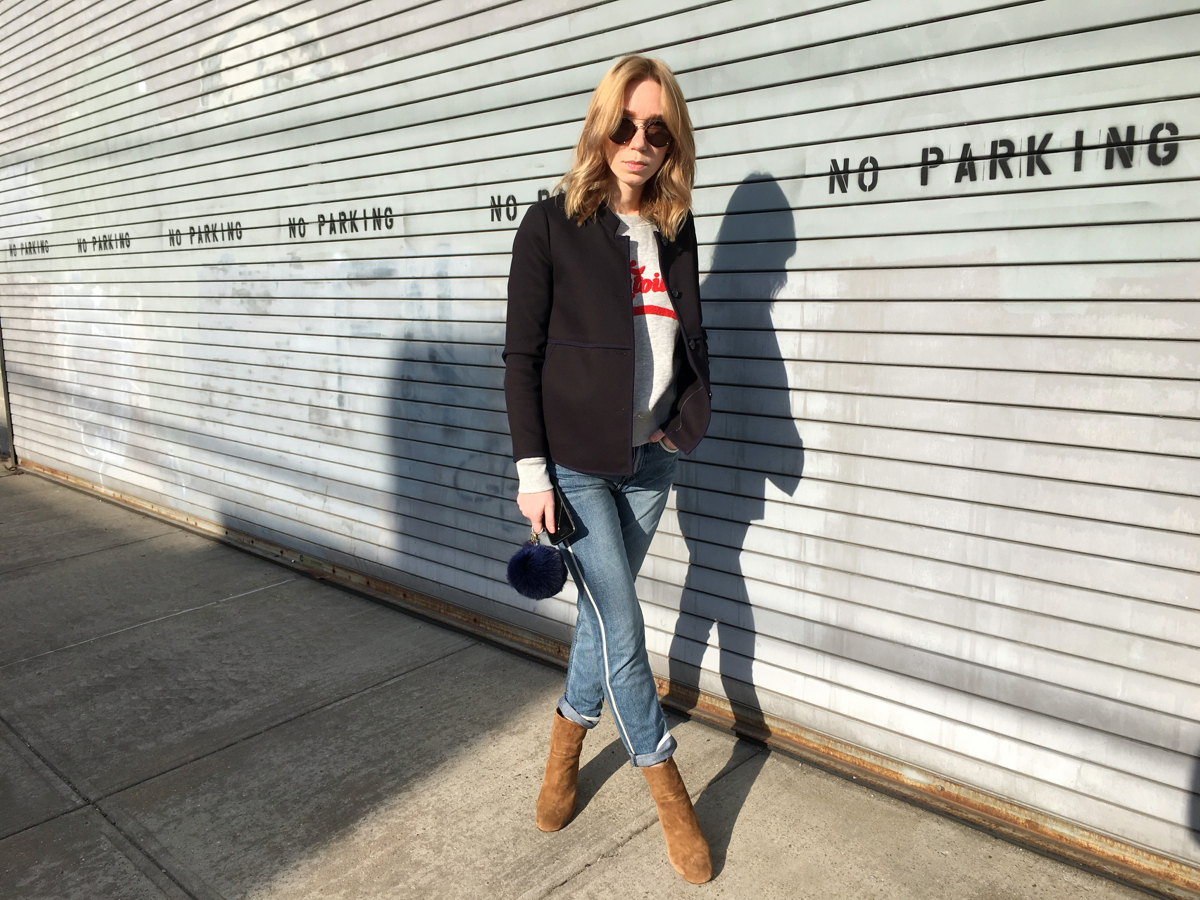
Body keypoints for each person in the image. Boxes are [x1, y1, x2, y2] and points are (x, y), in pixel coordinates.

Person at [503, 55, 713, 884]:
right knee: (625, 629)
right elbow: (522, 356)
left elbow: (691, 335)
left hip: (649, 464)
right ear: (601, 125)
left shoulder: (675, 225)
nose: (639, 142)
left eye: (656, 129)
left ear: (673, 139)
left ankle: (565, 739)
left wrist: (686, 421)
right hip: (576, 468)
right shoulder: (552, 224)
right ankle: (667, 786)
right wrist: (532, 470)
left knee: (600, 618)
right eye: (625, 125)